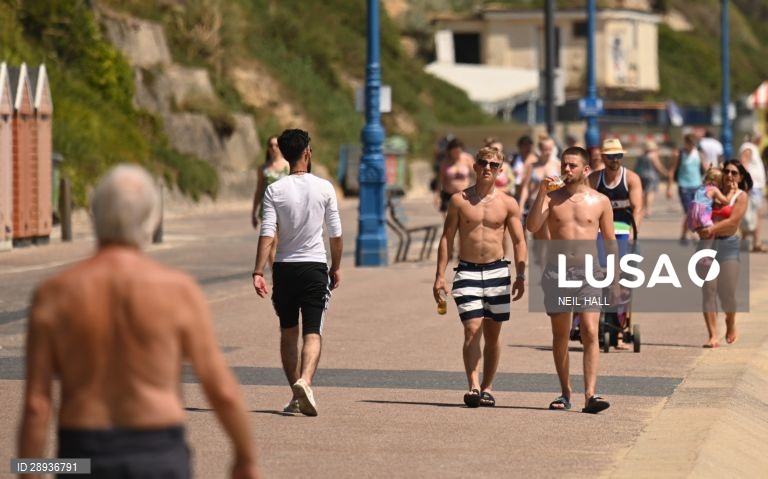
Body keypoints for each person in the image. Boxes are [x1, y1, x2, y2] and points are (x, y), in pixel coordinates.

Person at [18, 165, 260, 478]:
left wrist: (28, 470)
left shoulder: (54, 293)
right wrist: (245, 459)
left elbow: (37, 405)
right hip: (158, 454)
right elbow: (222, 389)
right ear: (152, 219)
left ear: (94, 215)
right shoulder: (178, 291)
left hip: (82, 458)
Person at [252, 129, 342, 417]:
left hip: (284, 268)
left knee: (288, 332)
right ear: (307, 152)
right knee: (313, 331)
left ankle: (295, 393)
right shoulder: (324, 187)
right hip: (314, 267)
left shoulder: (274, 190)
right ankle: (305, 381)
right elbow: (335, 234)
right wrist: (336, 266)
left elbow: (268, 233)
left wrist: (258, 270)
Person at [526, 146, 619, 414]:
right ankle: (566, 392)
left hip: (589, 274)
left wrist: (615, 278)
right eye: (564, 165)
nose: (566, 169)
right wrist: (541, 192)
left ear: (586, 169)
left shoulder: (600, 201)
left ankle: (591, 394)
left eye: (572, 165)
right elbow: (532, 226)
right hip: (559, 274)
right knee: (561, 335)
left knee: (590, 330)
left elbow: (610, 240)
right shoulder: (552, 198)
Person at [433, 146, 527, 408]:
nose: (488, 168)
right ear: (475, 166)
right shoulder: (459, 200)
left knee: (493, 335)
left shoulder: (508, 203)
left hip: (498, 271)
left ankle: (487, 387)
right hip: (467, 271)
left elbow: (519, 241)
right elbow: (446, 238)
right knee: (472, 329)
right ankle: (473, 386)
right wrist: (440, 276)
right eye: (483, 163)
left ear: (500, 170)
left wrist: (521, 275)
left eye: (493, 165)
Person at [698, 160, 751, 348]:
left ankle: (730, 320)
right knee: (709, 291)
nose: (729, 175)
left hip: (729, 244)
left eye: (734, 173)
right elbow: (698, 209)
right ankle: (713, 335)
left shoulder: (741, 196)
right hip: (707, 245)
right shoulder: (711, 191)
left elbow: (733, 221)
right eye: (727, 171)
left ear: (741, 177)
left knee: (727, 294)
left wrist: (711, 229)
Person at [519, 135, 561, 266]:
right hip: (535, 204)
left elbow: (564, 185)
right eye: (545, 149)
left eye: (550, 149)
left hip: (551, 205)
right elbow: (525, 187)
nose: (547, 152)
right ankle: (541, 264)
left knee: (548, 237)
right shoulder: (532, 166)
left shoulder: (557, 165)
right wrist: (521, 205)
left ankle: (549, 266)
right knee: (538, 238)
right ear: (539, 149)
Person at [252, 135, 290, 266]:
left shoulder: (288, 166)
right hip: (267, 209)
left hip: (285, 209)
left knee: (282, 243)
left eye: (276, 145)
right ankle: (276, 273)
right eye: (271, 145)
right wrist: (253, 212)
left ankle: (282, 270)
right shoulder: (263, 168)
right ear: (268, 148)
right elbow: (258, 190)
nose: (274, 148)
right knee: (271, 241)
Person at [589, 138, 644, 229]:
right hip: (601, 231)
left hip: (624, 229)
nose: (615, 159)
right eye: (610, 156)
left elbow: (638, 208)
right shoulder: (593, 179)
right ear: (602, 157)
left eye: (619, 155)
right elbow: (586, 207)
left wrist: (632, 232)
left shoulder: (631, 178)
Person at [668, 133, 704, 242]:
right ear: (686, 143)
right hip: (684, 186)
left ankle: (684, 234)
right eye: (690, 143)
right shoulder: (679, 154)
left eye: (694, 144)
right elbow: (672, 170)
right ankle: (692, 234)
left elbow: (704, 168)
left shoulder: (698, 154)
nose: (692, 146)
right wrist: (669, 187)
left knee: (695, 212)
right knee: (689, 212)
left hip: (697, 185)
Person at [738, 135, 767, 252]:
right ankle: (756, 242)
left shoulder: (752, 148)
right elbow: (744, 164)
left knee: (750, 214)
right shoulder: (748, 147)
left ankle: (745, 242)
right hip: (753, 187)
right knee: (755, 215)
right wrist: (746, 183)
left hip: (755, 187)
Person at [436, 137, 475, 214]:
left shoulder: (468, 158)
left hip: (464, 194)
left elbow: (475, 174)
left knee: (463, 215)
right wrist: (437, 195)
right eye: (454, 152)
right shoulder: (445, 162)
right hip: (448, 194)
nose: (457, 154)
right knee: (447, 216)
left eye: (458, 151)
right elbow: (440, 179)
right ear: (450, 151)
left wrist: (475, 188)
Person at [634, 140, 669, 217]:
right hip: (651, 176)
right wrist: (665, 173)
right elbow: (658, 166)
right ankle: (648, 209)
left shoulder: (641, 156)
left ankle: (642, 209)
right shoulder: (653, 155)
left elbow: (636, 167)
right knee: (650, 193)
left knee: (642, 193)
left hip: (641, 175)